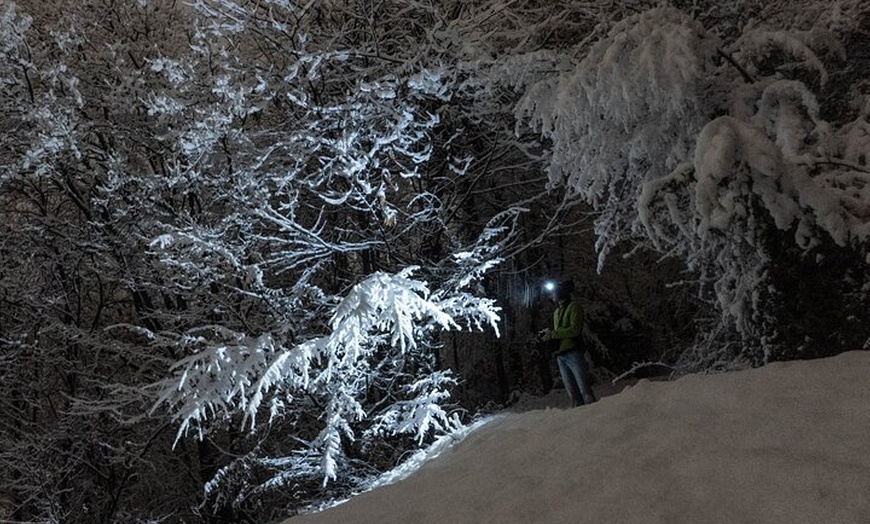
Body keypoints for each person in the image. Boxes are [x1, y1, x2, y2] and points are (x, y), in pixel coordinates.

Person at [543, 280, 597, 407]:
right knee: (572, 394)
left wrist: (554, 334)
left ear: (561, 292)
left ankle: (594, 415)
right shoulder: (556, 312)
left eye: (553, 292)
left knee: (585, 390)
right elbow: (560, 332)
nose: (551, 296)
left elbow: (575, 330)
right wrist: (550, 335)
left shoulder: (575, 307)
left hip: (574, 352)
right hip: (560, 354)